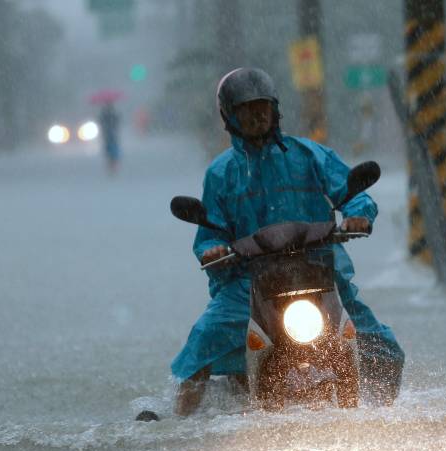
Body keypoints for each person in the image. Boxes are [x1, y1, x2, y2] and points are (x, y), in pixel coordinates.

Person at [167, 67, 404, 417]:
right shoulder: (220, 173)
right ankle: (179, 420)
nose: (257, 115)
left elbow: (350, 192)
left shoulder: (309, 155)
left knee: (384, 348)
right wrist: (212, 250)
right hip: (249, 281)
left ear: (276, 109)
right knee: (205, 337)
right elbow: (210, 234)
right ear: (229, 117)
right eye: (246, 109)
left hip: (320, 269)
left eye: (262, 106)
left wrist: (358, 215)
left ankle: (383, 413)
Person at [99, 102, 121, 174]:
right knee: (112, 153)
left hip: (109, 136)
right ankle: (113, 167)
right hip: (111, 136)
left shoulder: (106, 115)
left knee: (110, 153)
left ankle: (111, 167)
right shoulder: (112, 115)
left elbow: (101, 123)